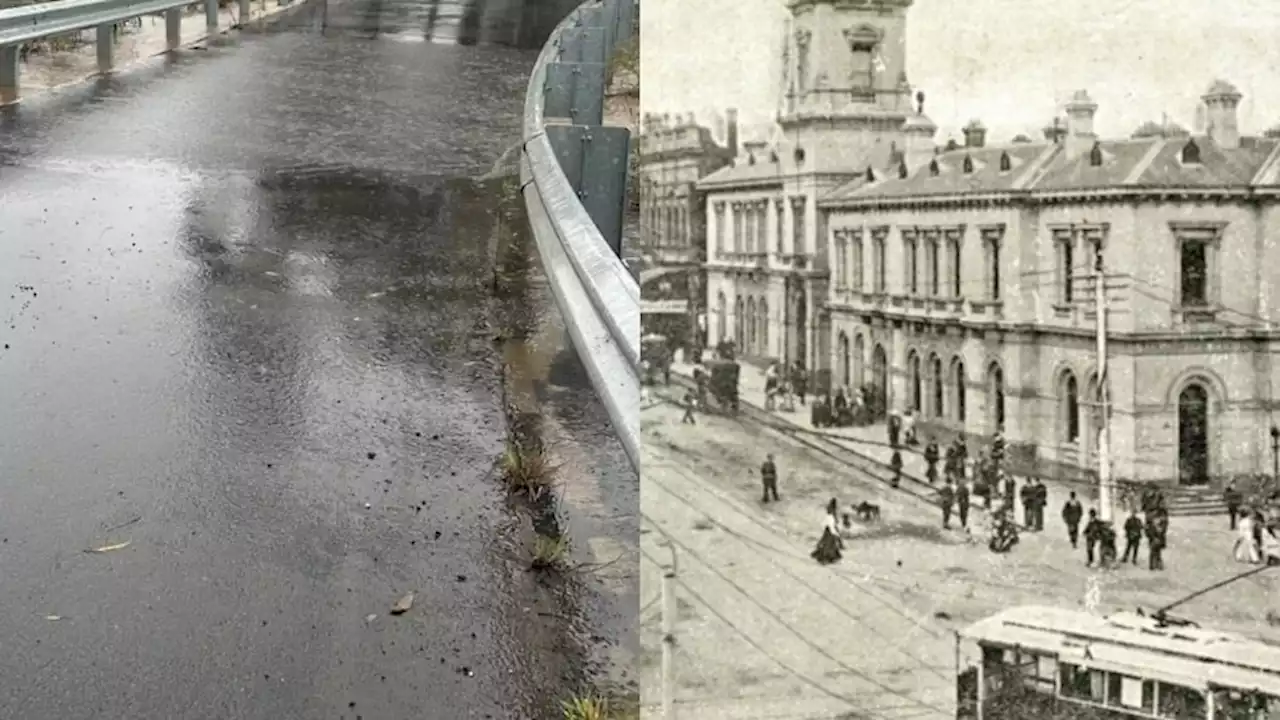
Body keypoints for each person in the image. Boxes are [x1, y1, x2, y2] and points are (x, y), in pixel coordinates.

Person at [812, 498, 843, 565]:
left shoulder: (830, 511)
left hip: (828, 530)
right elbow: (832, 523)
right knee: (829, 545)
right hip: (830, 531)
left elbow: (829, 521)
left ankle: (826, 558)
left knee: (827, 544)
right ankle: (825, 559)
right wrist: (835, 532)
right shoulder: (832, 513)